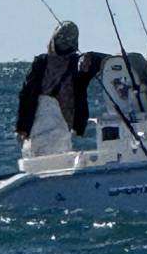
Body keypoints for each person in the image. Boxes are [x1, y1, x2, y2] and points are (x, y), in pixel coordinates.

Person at [14, 21, 106, 158]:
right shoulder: (40, 64)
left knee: (60, 156)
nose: (65, 43)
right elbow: (26, 95)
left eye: (70, 40)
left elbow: (103, 61)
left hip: (65, 126)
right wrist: (22, 127)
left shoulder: (78, 64)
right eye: (61, 38)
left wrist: (92, 59)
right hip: (38, 127)